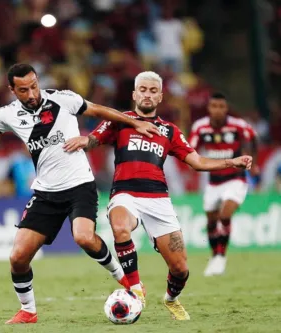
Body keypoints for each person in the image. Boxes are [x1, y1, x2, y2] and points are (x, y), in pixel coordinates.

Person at [0, 63, 160, 324]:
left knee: (84, 237)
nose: (31, 94)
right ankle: (28, 311)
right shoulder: (8, 114)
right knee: (18, 257)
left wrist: (134, 123)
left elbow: (100, 111)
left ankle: (127, 280)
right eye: (23, 90)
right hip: (45, 193)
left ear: (38, 81)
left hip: (79, 186)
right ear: (12, 90)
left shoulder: (64, 99)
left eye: (33, 86)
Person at [63, 71, 252, 320]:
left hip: (158, 200)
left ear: (160, 96)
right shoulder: (120, 121)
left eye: (153, 91)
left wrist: (232, 161)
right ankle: (135, 289)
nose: (147, 94)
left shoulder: (169, 131)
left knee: (181, 268)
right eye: (142, 89)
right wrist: (83, 140)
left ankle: (171, 299)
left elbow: (197, 161)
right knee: (120, 228)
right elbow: (94, 140)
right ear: (134, 94)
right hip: (125, 194)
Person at [188, 93, 258, 276]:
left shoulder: (238, 125)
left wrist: (254, 163)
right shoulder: (200, 127)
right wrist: (191, 169)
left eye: (221, 106)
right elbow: (190, 151)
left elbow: (253, 137)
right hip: (213, 182)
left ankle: (221, 256)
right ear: (209, 108)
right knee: (211, 220)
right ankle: (214, 256)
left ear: (226, 109)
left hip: (235, 179)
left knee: (225, 214)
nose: (217, 110)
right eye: (214, 106)